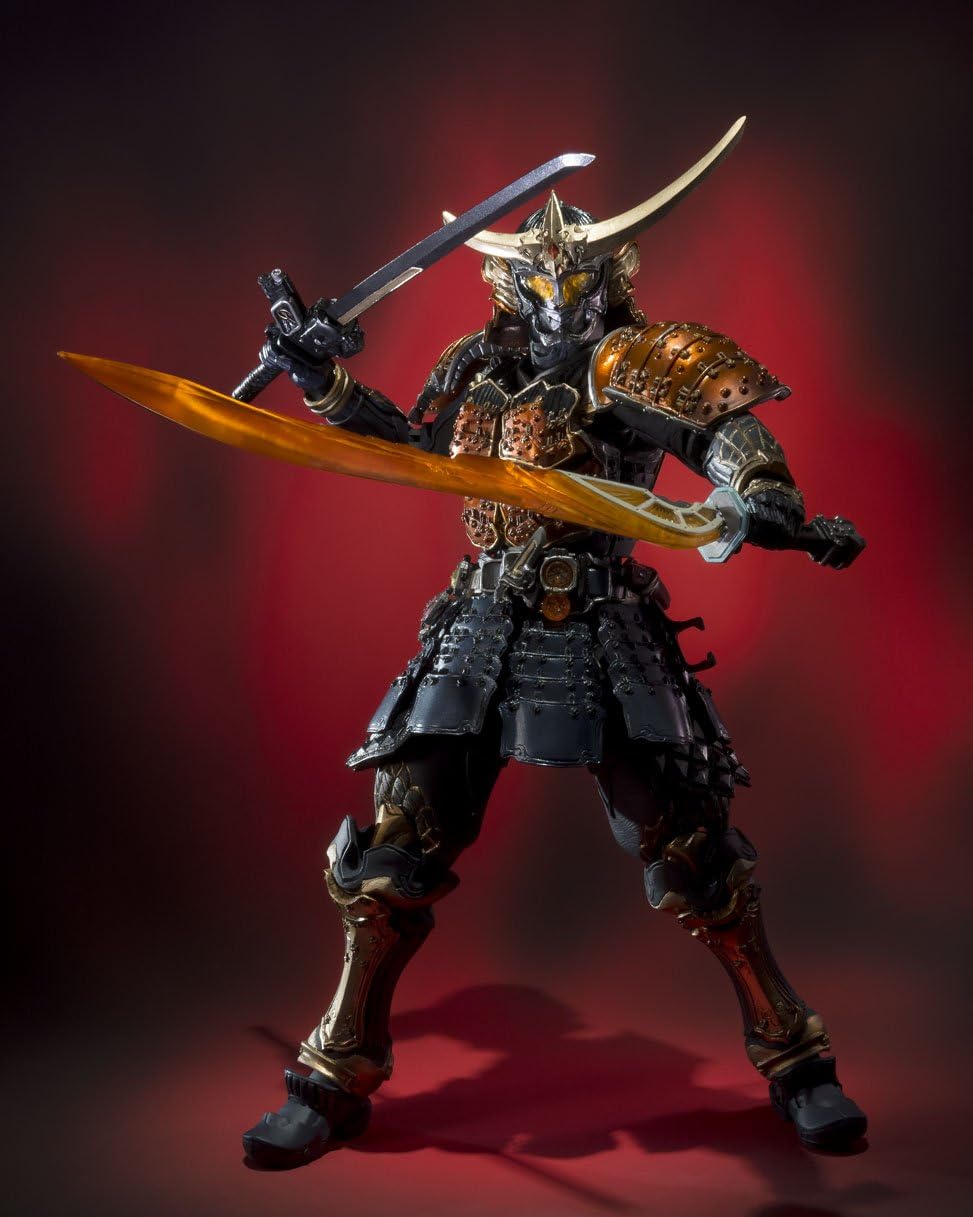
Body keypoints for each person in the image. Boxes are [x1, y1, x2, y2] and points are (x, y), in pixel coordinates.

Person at [240, 145, 867, 1168]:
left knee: (698, 855)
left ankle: (796, 1058)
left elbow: (731, 442)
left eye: (576, 280)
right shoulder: (474, 367)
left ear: (609, 276)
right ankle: (332, 1074)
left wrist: (761, 502)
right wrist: (323, 381)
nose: (558, 298)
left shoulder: (642, 359)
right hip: (481, 622)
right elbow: (413, 448)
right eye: (539, 281)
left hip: (604, 624)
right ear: (511, 283)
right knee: (392, 856)